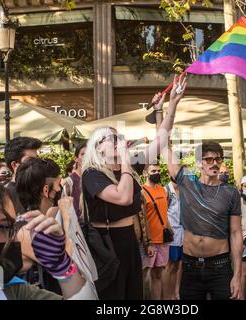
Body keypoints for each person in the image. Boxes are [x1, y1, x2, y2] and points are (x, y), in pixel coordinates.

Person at [80, 74, 186, 300]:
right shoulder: (92, 174)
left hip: (129, 238)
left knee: (133, 292)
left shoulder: (125, 167)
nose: (118, 140)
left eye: (118, 137)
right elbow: (124, 197)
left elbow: (160, 139)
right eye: (112, 138)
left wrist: (170, 106)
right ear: (98, 148)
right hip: (107, 241)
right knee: (113, 294)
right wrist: (127, 160)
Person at [159, 118, 243, 300]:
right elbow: (164, 145)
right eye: (209, 159)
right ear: (199, 163)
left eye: (218, 159)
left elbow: (236, 233)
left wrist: (237, 275)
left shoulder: (231, 192)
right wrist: (166, 107)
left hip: (220, 266)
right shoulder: (187, 182)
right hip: (190, 266)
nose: (214, 163)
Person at [15, 157, 96, 298]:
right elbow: (67, 263)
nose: (61, 189)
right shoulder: (30, 230)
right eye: (59, 184)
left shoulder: (35, 220)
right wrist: (66, 217)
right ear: (46, 190)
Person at [142, 163, 169, 300]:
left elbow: (165, 212)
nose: (157, 173)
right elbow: (141, 218)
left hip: (163, 240)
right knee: (143, 276)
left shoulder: (163, 190)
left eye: (158, 170)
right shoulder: (141, 191)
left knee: (158, 275)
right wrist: (147, 242)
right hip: (149, 242)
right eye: (153, 171)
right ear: (146, 173)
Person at [4, 136, 42, 215]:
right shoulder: (6, 196)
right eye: (30, 160)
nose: (36, 164)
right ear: (14, 165)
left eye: (37, 159)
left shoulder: (35, 189)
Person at [162, 178, 183, 300]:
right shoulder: (166, 190)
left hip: (182, 234)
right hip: (171, 235)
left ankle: (174, 294)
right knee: (169, 266)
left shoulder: (184, 190)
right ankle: (166, 297)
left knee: (177, 265)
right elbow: (162, 212)